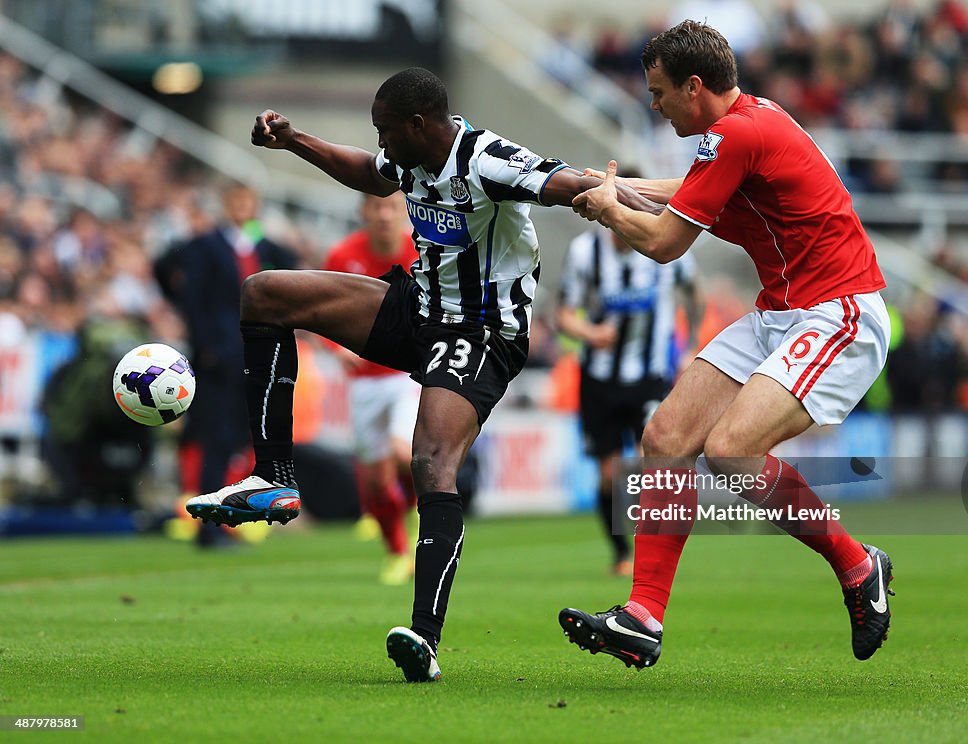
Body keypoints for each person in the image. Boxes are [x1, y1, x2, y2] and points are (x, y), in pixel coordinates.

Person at [185, 67, 619, 682]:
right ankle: (272, 478)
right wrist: (294, 140)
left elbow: (556, 179)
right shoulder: (410, 157)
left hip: (484, 332)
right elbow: (369, 171)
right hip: (419, 309)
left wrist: (604, 193)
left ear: (419, 124)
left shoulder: (485, 158)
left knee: (429, 462)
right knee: (265, 294)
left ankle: (425, 637)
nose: (382, 143)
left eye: (387, 132)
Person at [559, 21, 894, 669]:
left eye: (659, 93)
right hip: (782, 311)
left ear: (694, 86)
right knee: (665, 438)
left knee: (732, 451)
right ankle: (642, 616)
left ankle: (858, 566)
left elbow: (661, 244)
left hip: (839, 312)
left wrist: (607, 208)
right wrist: (606, 186)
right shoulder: (744, 123)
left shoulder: (738, 134)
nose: (653, 106)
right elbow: (683, 194)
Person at [557, 182, 701, 576]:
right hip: (599, 379)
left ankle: (653, 552)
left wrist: (691, 344)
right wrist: (590, 334)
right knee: (607, 473)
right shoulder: (585, 253)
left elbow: (694, 294)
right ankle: (621, 553)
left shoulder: (665, 251)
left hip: (650, 375)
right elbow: (564, 314)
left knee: (649, 458)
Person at [176, 184, 296, 548]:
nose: (242, 208)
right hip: (221, 358)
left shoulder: (266, 249)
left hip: (256, 352)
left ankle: (234, 516)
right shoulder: (206, 246)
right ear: (226, 206)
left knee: (246, 438)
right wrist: (206, 346)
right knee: (216, 439)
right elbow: (192, 300)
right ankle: (207, 528)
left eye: (248, 202)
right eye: (236, 201)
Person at [323, 192, 420, 585]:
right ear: (364, 211)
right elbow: (321, 311)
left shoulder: (422, 251)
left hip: (406, 375)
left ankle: (414, 503)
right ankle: (397, 552)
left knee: (403, 451)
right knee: (377, 480)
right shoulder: (343, 256)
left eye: (391, 207)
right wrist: (335, 348)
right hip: (363, 382)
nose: (383, 215)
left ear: (404, 211)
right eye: (376, 207)